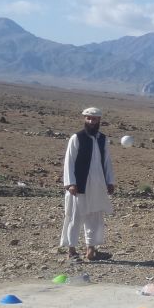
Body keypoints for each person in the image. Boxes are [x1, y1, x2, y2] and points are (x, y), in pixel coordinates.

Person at [61, 107, 116, 261]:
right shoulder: (76, 138)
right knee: (74, 217)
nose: (91, 122)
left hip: (97, 186)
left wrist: (110, 181)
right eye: (88, 119)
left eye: (94, 119)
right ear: (85, 119)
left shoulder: (103, 139)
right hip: (79, 186)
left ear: (99, 120)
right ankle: (71, 251)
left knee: (95, 217)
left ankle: (91, 250)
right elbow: (69, 161)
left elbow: (107, 162)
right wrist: (70, 183)